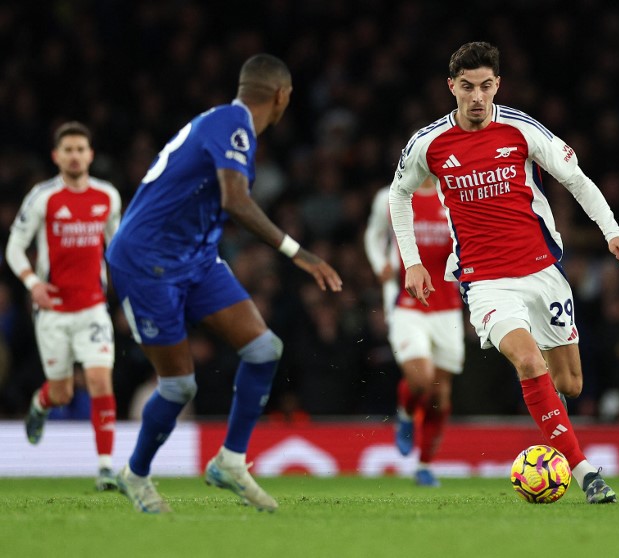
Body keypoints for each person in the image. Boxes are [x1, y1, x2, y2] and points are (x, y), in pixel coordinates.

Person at [389, 42, 619, 504]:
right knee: (528, 361)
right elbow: (397, 196)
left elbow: (576, 179)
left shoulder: (522, 130)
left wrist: (613, 232)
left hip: (543, 273)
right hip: (485, 281)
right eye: (467, 87)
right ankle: (586, 475)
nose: (477, 97)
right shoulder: (428, 143)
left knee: (570, 384)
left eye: (485, 86)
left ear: (497, 84)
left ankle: (552, 428)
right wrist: (414, 262)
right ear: (451, 88)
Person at [105, 54, 342, 513]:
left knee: (263, 349)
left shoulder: (224, 124)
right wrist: (300, 253)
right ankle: (135, 475)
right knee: (179, 386)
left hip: (195, 256)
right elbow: (235, 200)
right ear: (282, 96)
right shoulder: (234, 125)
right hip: (148, 260)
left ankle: (230, 461)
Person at [5, 121, 122, 491]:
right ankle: (40, 406)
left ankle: (105, 467)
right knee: (62, 393)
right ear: (56, 156)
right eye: (67, 150)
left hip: (92, 308)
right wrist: (32, 283)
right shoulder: (43, 197)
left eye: (80, 149)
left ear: (91, 155)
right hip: (54, 311)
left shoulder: (108, 197)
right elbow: (13, 246)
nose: (74, 156)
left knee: (100, 380)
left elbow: (115, 247)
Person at [364, 178, 465, 487]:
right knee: (421, 380)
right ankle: (406, 413)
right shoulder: (391, 195)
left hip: (447, 306)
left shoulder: (453, 195)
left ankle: (425, 466)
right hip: (407, 304)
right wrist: (380, 262)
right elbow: (373, 234)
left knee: (440, 394)